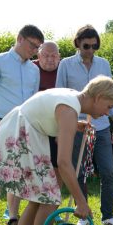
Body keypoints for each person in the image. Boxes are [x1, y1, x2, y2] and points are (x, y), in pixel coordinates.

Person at [0, 76, 113, 225]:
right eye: (108, 106)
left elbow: (48, 114)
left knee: (40, 199)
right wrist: (81, 202)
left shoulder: (73, 100)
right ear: (97, 97)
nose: (108, 113)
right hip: (22, 134)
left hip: (20, 128)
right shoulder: (69, 110)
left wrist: (76, 125)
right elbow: (64, 162)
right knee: (49, 198)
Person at [55, 25, 113, 225]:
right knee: (79, 172)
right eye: (86, 45)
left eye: (95, 46)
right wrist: (61, 130)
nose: (91, 50)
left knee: (108, 171)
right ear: (77, 43)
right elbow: (60, 96)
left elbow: (112, 98)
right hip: (76, 126)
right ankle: (83, 215)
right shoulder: (66, 65)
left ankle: (109, 217)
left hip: (102, 127)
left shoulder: (104, 64)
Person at [0, 24, 44, 225]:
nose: (34, 51)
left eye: (37, 48)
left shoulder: (34, 69)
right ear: (20, 38)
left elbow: (32, 100)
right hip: (0, 123)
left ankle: (13, 218)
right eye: (32, 45)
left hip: (24, 126)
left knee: (19, 174)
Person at [33, 41, 63, 187]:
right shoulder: (30, 68)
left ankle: (54, 195)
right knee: (32, 164)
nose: (50, 59)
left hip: (57, 125)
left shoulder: (64, 69)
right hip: (35, 125)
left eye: (54, 56)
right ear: (38, 55)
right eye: (46, 55)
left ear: (59, 57)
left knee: (58, 163)